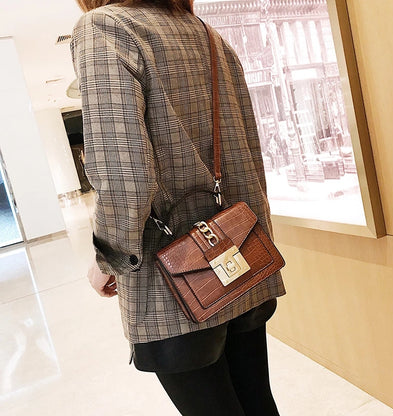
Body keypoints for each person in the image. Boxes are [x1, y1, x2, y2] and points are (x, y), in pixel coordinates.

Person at [71, 1, 286, 415]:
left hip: (170, 279)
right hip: (237, 255)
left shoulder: (105, 26)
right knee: (257, 401)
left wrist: (109, 258)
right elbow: (249, 152)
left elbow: (123, 171)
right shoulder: (207, 35)